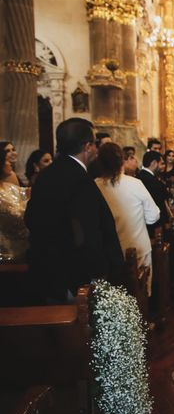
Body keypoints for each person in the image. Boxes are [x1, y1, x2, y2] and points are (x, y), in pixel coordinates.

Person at [24, 118, 124, 304]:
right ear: (87, 147)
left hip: (46, 270)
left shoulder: (46, 175)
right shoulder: (80, 180)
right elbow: (88, 231)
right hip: (73, 277)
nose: (96, 149)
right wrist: (99, 274)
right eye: (94, 143)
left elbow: (30, 218)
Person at [95, 143, 160, 295]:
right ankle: (143, 316)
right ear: (122, 161)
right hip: (138, 248)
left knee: (114, 296)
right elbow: (153, 216)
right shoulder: (135, 184)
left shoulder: (95, 186)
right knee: (141, 293)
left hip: (109, 254)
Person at [0, 148, 30, 263]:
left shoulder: (7, 186)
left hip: (21, 247)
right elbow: (15, 214)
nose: (10, 163)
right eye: (7, 160)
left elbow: (24, 193)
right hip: (7, 252)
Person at [138, 151, 172, 232]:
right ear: (154, 163)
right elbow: (159, 202)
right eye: (161, 163)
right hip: (156, 224)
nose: (162, 167)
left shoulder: (141, 175)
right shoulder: (150, 180)